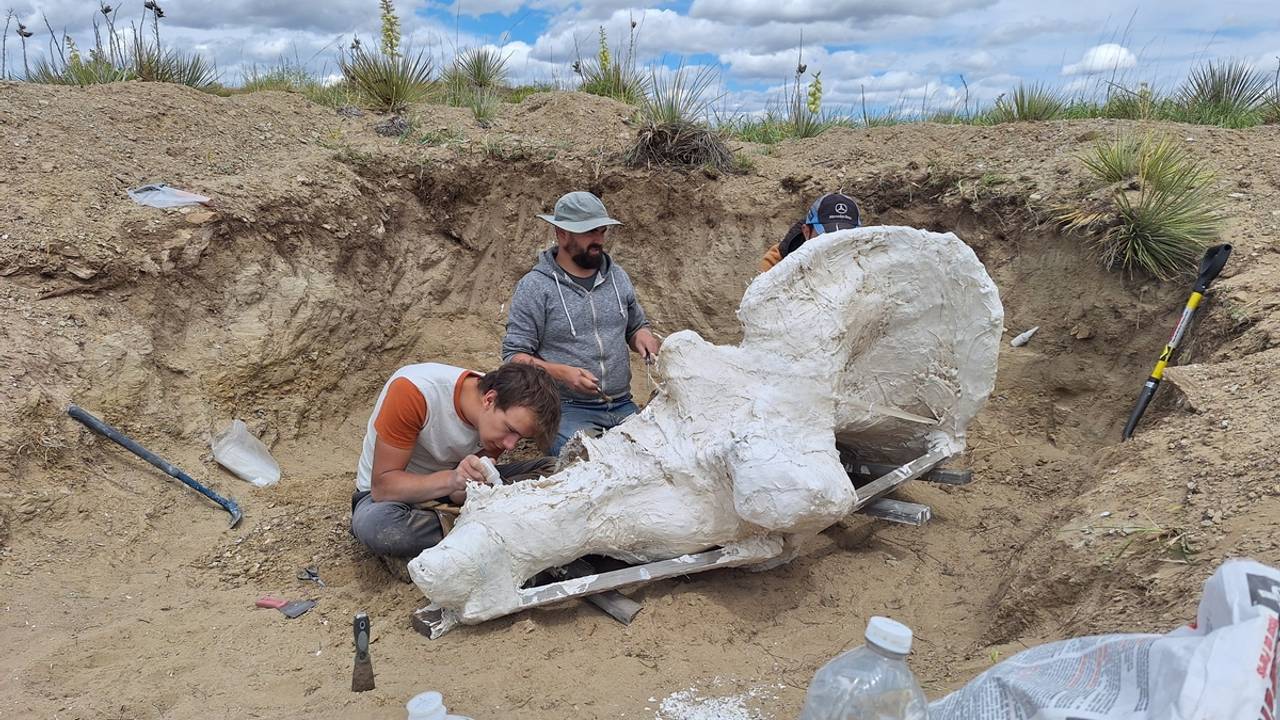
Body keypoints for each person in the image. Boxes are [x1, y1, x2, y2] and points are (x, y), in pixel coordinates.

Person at [349, 362, 561, 569]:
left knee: (554, 470)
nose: (510, 445)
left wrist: (469, 489)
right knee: (380, 527)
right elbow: (383, 487)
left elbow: (461, 494)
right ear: (489, 399)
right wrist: (453, 480)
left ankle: (478, 533)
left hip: (446, 493)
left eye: (520, 438)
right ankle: (504, 529)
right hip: (389, 497)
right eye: (510, 430)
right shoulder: (415, 391)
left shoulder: (499, 422)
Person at [502, 191, 661, 455]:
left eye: (602, 231)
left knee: (654, 456)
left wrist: (643, 336)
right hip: (565, 409)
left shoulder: (618, 277)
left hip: (622, 404)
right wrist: (562, 373)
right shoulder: (535, 287)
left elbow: (636, 326)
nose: (598, 240)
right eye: (589, 233)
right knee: (587, 461)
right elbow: (513, 357)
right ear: (561, 233)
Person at [758, 192, 861, 272]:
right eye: (826, 236)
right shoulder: (789, 251)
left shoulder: (865, 248)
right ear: (807, 232)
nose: (835, 243)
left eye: (846, 237)